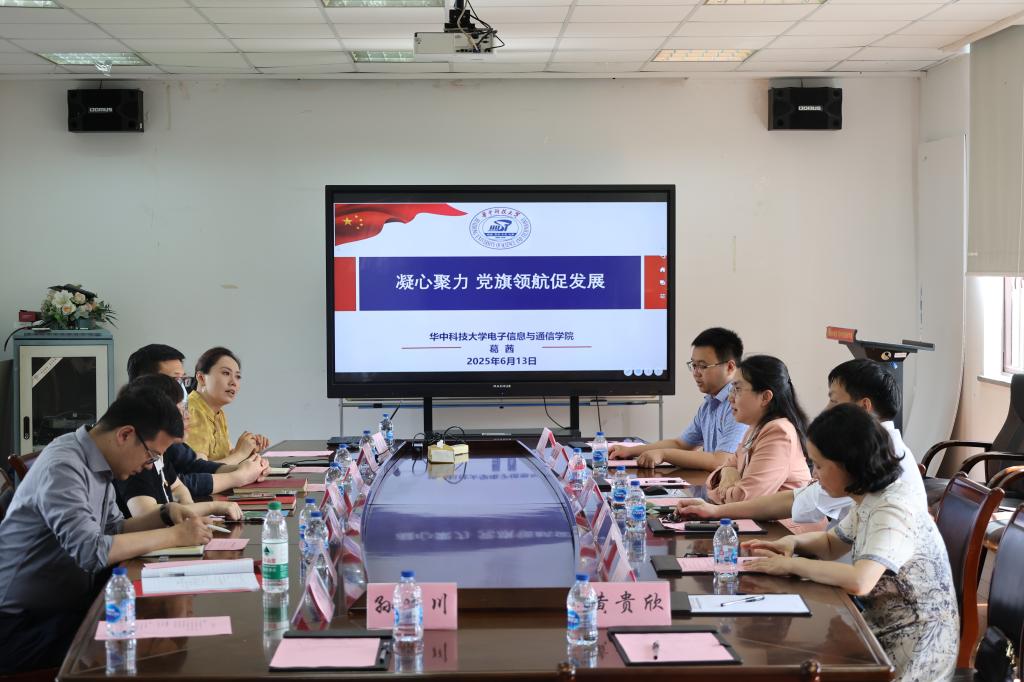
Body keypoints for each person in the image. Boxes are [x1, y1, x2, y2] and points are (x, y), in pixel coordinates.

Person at [0, 383, 213, 674]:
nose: (149, 466)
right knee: (143, 650)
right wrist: (175, 535)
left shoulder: (97, 460)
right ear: (125, 435)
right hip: (20, 625)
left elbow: (114, 528)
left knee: (153, 632)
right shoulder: (64, 466)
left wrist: (165, 514)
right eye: (151, 456)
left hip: (65, 606)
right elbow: (92, 551)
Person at [743, 404, 958, 682]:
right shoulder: (869, 498)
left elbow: (860, 580)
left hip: (915, 648)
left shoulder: (892, 508)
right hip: (880, 629)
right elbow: (831, 543)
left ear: (849, 463)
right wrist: (792, 543)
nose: (814, 474)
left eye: (819, 465)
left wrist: (791, 566)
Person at [675, 359, 928, 524]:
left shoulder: (876, 457)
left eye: (834, 401)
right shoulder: (881, 448)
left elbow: (796, 501)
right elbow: (803, 498)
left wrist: (717, 509)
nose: (826, 409)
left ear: (863, 407)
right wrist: (718, 502)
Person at [127, 344, 266, 497]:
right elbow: (175, 485)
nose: (182, 391)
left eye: (183, 380)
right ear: (146, 384)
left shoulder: (215, 413)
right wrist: (238, 474)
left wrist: (251, 467)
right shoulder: (139, 438)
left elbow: (194, 466)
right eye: (175, 380)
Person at [609, 327, 747, 470]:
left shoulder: (738, 404)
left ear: (730, 367)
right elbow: (681, 444)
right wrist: (629, 451)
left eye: (703, 366)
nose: (696, 373)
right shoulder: (709, 404)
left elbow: (721, 461)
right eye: (694, 365)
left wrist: (663, 454)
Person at [113, 375, 244, 521]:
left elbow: (178, 488)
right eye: (180, 411)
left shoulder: (162, 452)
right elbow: (145, 514)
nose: (187, 416)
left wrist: (189, 510)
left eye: (186, 408)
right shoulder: (139, 459)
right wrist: (212, 507)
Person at [704, 354, 812, 503]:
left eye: (737, 389)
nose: (730, 398)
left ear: (765, 397)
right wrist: (728, 471)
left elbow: (742, 501)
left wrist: (719, 490)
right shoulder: (755, 428)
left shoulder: (779, 432)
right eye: (732, 389)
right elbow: (721, 471)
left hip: (780, 519)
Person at [186, 346, 269, 463]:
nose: (233, 382)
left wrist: (248, 450)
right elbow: (200, 469)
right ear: (201, 378)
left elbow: (224, 457)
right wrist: (241, 454)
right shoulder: (192, 411)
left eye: (238, 376)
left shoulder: (217, 412)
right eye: (226, 373)